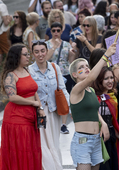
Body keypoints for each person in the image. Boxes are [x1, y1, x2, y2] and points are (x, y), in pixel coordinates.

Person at [68, 44, 116, 169]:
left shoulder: (91, 91)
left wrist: (103, 123)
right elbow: (91, 77)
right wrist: (105, 56)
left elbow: (95, 111)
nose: (86, 68)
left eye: (87, 66)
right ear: (74, 75)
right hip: (82, 141)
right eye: (81, 67)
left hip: (96, 140)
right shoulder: (76, 90)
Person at [0, 44, 44, 170]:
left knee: (31, 148)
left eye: (28, 54)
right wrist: (32, 103)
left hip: (32, 116)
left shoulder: (26, 70)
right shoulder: (10, 75)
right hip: (16, 117)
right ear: (17, 57)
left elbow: (34, 91)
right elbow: (12, 97)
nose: (28, 57)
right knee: (22, 150)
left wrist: (40, 108)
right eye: (25, 54)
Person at [28, 40, 70, 169]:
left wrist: (70, 109)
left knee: (54, 143)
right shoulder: (29, 70)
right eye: (36, 52)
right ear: (32, 54)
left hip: (54, 112)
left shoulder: (55, 67)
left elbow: (62, 89)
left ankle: (56, 166)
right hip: (39, 113)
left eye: (42, 51)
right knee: (42, 143)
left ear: (46, 51)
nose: (40, 54)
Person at [92, 66, 119, 170]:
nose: (110, 81)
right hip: (97, 139)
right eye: (106, 78)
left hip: (111, 138)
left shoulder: (112, 97)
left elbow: (116, 119)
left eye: (111, 77)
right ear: (99, 80)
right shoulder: (92, 97)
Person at [45, 22, 76, 133]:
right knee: (52, 97)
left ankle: (63, 124)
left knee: (64, 98)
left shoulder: (67, 44)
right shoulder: (47, 44)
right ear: (51, 32)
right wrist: (54, 47)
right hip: (51, 73)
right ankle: (53, 122)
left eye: (58, 30)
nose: (56, 33)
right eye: (54, 31)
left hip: (65, 73)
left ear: (62, 31)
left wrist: (72, 53)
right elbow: (46, 58)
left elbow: (70, 61)